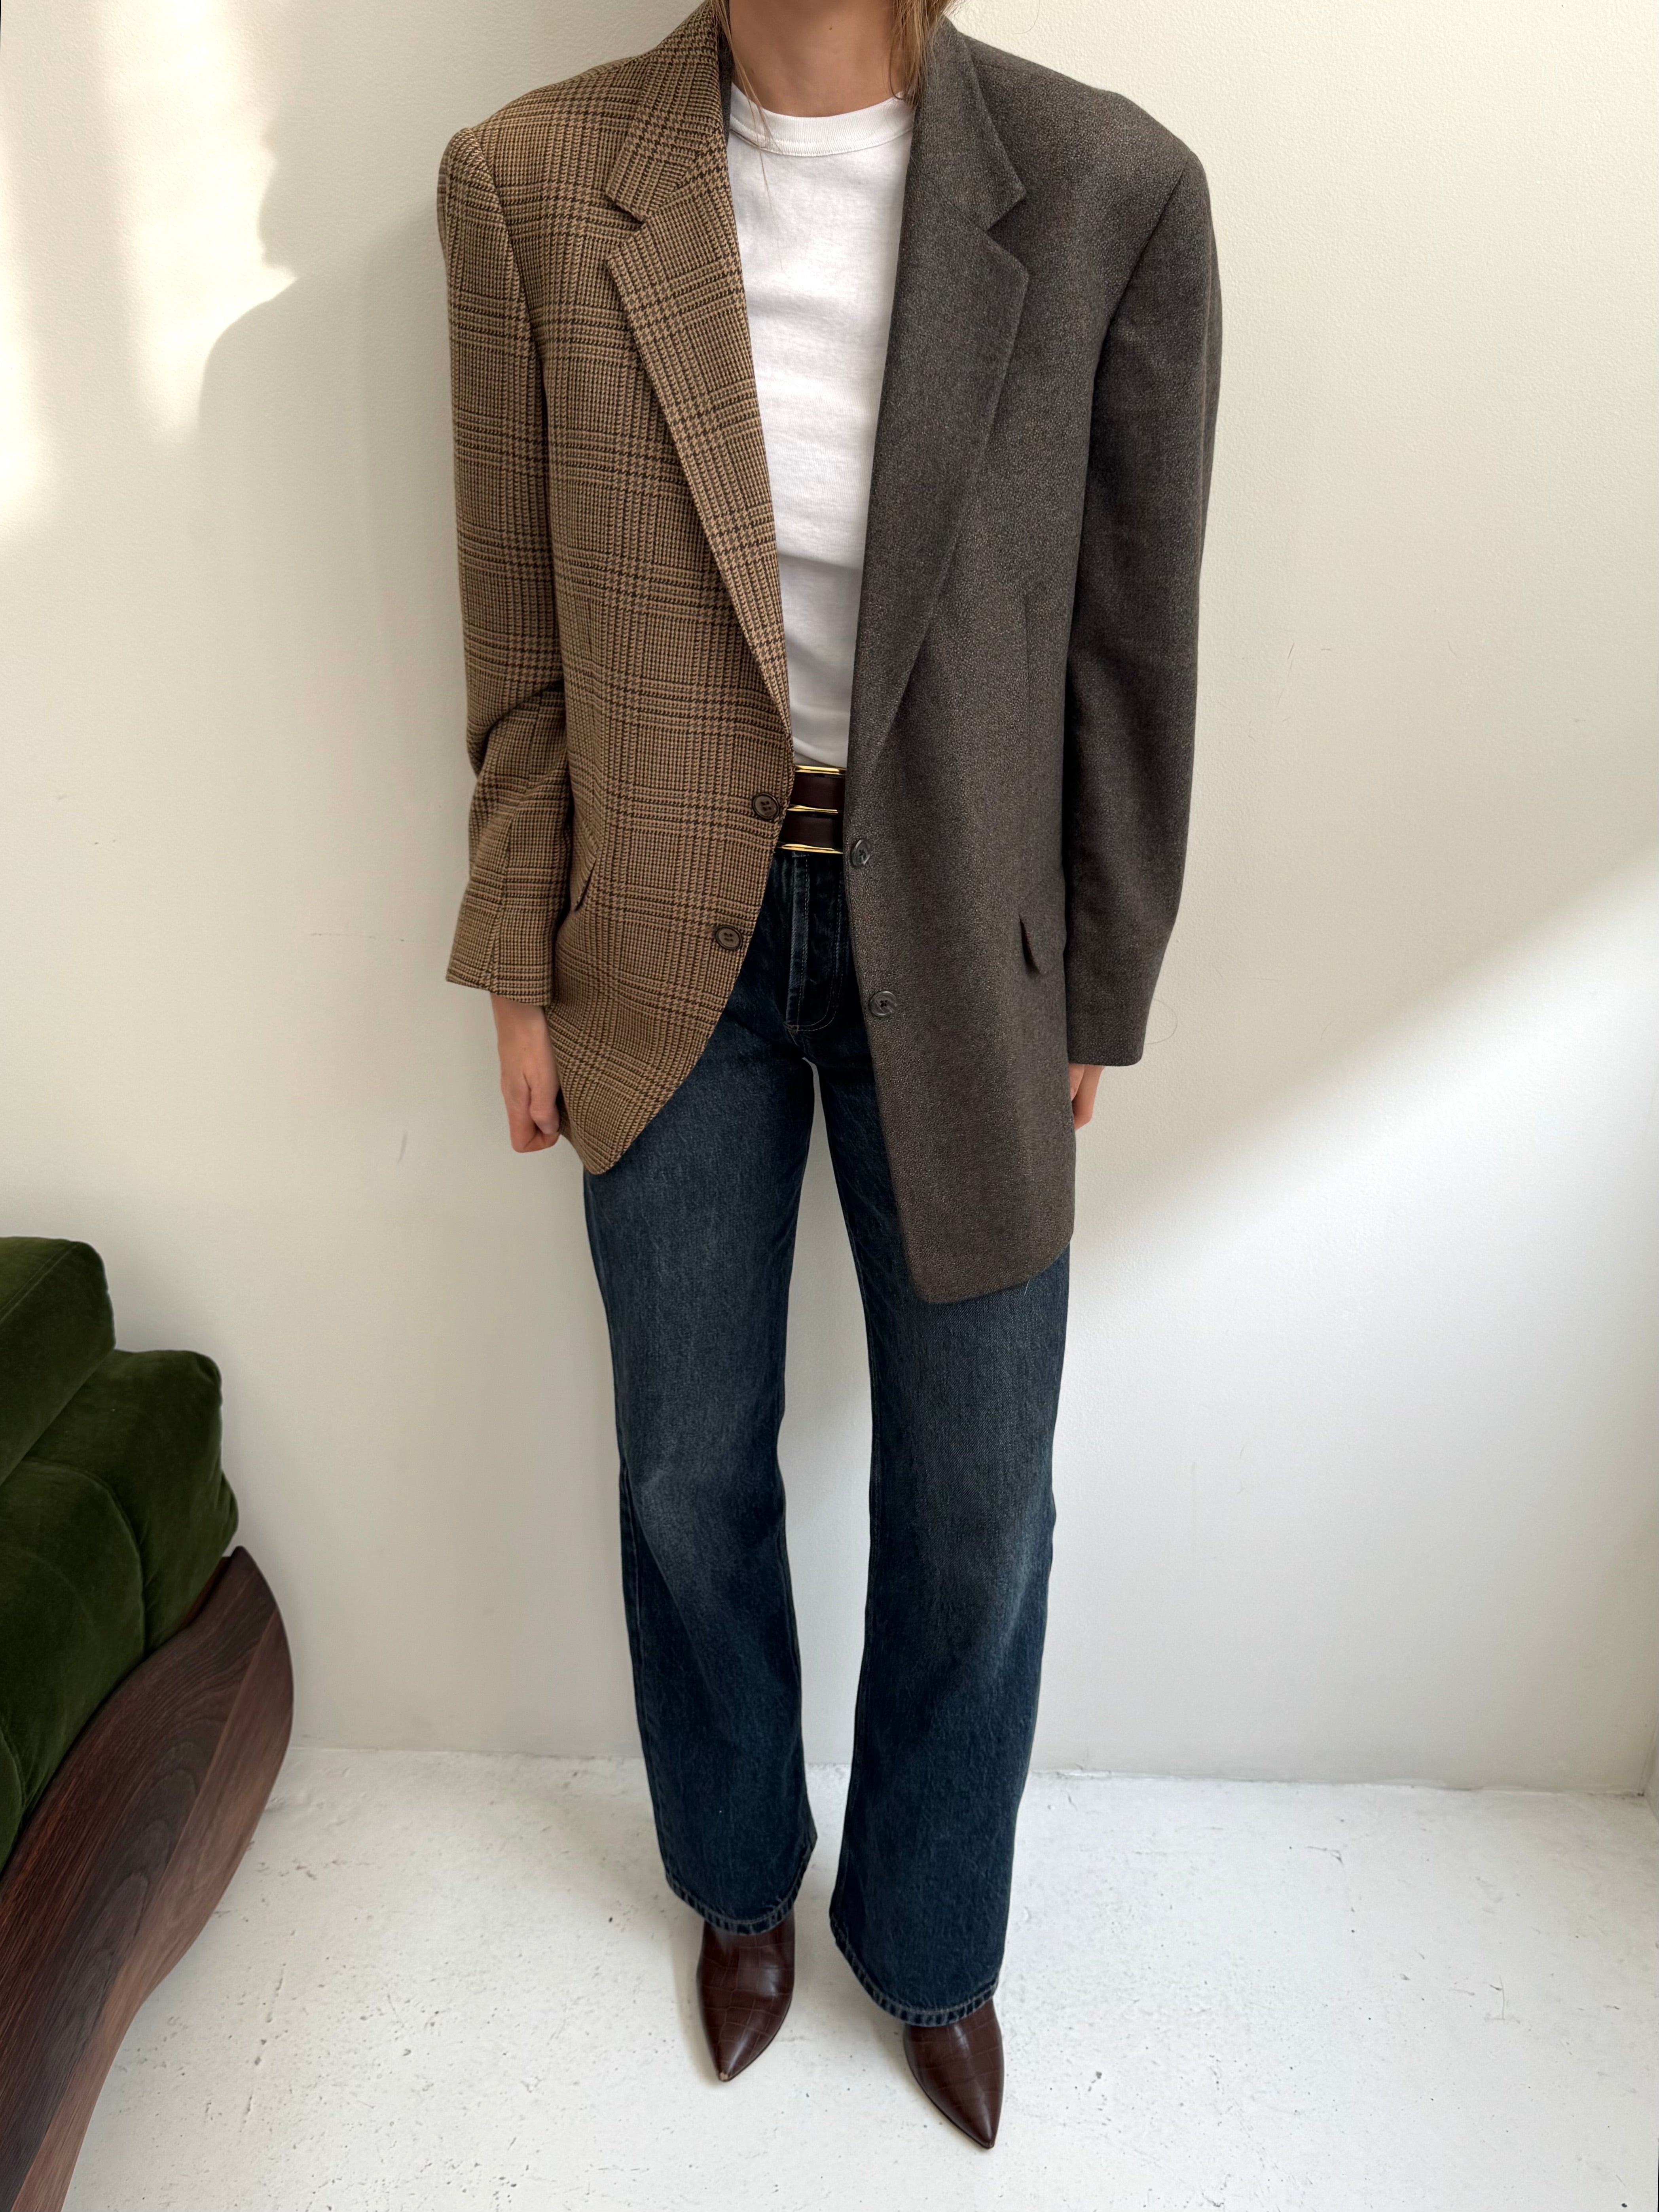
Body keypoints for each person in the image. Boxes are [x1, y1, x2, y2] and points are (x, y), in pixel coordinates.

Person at [438, 0, 1220, 2148]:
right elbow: (516, 634)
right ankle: (734, 1876)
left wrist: (1096, 979)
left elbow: (1132, 644)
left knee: (979, 1494)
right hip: (656, 937)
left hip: (967, 943)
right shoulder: (530, 183)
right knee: (685, 1466)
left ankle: (931, 1930)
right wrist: (520, 953)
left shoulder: (1112, 192)